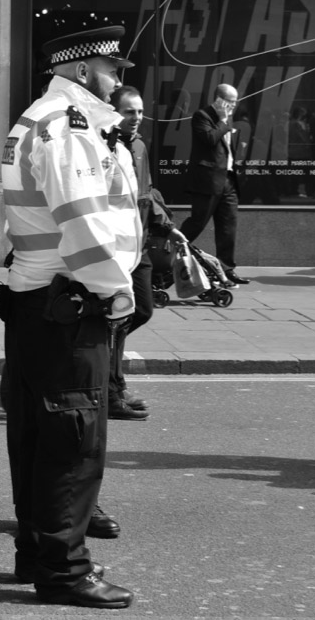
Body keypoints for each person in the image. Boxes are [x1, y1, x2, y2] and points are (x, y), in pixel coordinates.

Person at [0, 25, 141, 609]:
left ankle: (37, 552)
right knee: (73, 440)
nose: (117, 81)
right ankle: (65, 567)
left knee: (37, 435)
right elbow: (83, 222)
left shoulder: (40, 119)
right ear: (82, 72)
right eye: (112, 70)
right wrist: (117, 290)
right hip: (72, 300)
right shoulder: (70, 128)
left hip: (40, 300)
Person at [106, 86, 185, 422]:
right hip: (111, 248)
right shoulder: (102, 144)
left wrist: (168, 228)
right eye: (129, 112)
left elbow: (146, 195)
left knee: (141, 310)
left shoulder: (139, 145)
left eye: (139, 112)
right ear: (114, 112)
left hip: (137, 246)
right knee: (118, 319)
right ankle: (113, 390)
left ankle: (105, 379)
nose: (136, 118)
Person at [179, 84, 247, 285]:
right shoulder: (202, 116)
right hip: (208, 181)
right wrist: (223, 120)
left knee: (228, 227)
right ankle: (170, 251)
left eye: (235, 102)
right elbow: (209, 139)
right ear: (218, 99)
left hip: (228, 180)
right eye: (230, 102)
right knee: (197, 222)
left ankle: (227, 269)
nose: (233, 106)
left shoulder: (226, 118)